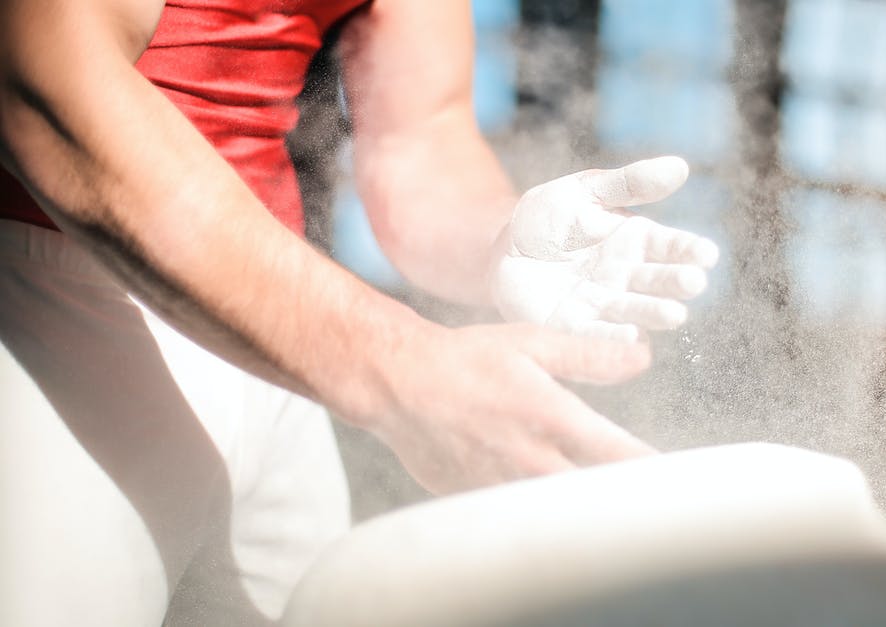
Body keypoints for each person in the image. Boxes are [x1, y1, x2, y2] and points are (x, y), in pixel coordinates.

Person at [0, 0, 717, 624]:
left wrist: (502, 235)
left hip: (278, 341)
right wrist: (400, 370)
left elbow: (421, 136)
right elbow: (45, 86)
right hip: (56, 297)